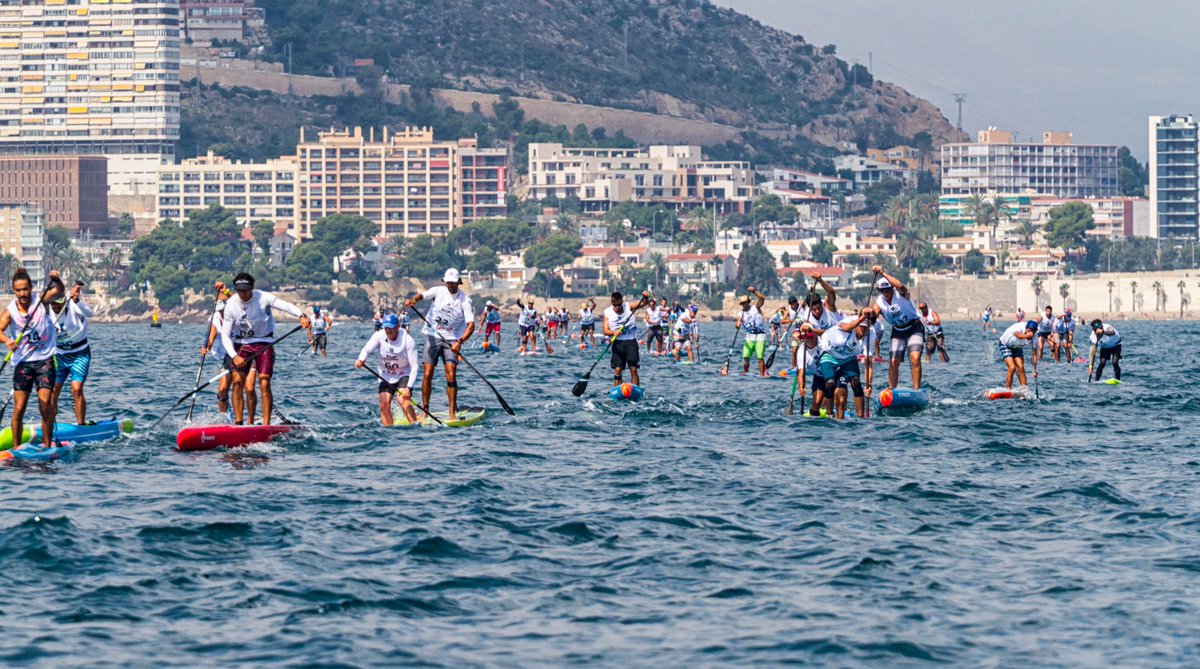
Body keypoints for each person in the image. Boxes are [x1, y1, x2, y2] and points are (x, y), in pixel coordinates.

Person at [217, 272, 310, 426]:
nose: (243, 294)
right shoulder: (231, 305)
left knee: (264, 382)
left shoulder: (263, 297)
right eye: (239, 290)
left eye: (246, 290)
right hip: (242, 344)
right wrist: (234, 356)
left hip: (264, 343)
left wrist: (301, 315)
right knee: (237, 381)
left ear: (252, 288)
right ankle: (239, 423)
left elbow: (285, 305)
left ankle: (266, 425)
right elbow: (225, 336)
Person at [0, 269, 64, 449]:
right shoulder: (10, 311)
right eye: (19, 290)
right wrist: (7, 340)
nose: (23, 293)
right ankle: (16, 448)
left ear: (30, 288)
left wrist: (56, 279)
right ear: (14, 291)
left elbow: (59, 291)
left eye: (25, 289)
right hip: (23, 363)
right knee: (19, 408)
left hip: (44, 361)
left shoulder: (40, 301)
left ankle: (47, 446)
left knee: (44, 407)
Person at [407, 268, 474, 421]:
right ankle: (425, 411)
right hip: (433, 336)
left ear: (459, 282)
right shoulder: (438, 291)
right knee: (427, 373)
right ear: (445, 282)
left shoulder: (465, 301)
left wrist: (460, 342)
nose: (451, 285)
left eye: (453, 283)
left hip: (452, 339)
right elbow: (422, 295)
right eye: (448, 282)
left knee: (450, 372)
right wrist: (413, 300)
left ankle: (452, 413)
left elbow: (471, 326)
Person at [356, 313, 419, 426]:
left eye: (391, 328)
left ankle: (415, 426)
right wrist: (361, 359)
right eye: (386, 327)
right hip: (385, 375)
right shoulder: (378, 336)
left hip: (403, 374)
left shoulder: (408, 341)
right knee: (384, 406)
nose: (388, 331)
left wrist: (408, 389)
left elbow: (415, 367)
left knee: (402, 400)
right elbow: (366, 349)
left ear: (398, 326)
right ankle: (389, 432)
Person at [813, 307, 875, 420]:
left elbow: (869, 361)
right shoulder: (849, 321)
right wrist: (861, 319)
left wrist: (869, 385)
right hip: (829, 354)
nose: (863, 332)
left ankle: (861, 419)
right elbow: (847, 327)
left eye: (866, 329)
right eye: (861, 328)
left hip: (847, 358)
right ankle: (829, 414)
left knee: (856, 383)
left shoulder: (871, 334)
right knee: (830, 384)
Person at [46, 280, 94, 425]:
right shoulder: (46, 312)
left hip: (80, 354)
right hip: (59, 356)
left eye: (58, 303)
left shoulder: (74, 306)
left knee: (76, 388)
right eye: (52, 303)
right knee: (52, 392)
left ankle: (81, 425)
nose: (55, 306)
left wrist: (77, 301)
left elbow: (90, 313)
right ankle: (51, 427)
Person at [872, 266, 923, 390]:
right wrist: (869, 314)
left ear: (892, 289)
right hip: (898, 331)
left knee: (915, 359)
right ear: (880, 291)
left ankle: (916, 390)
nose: (886, 293)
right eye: (883, 291)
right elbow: (874, 313)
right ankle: (892, 391)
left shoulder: (901, 294)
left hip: (914, 327)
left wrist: (882, 272)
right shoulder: (879, 301)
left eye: (888, 290)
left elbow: (900, 285)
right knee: (894, 362)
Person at [603, 290, 652, 388]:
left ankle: (636, 389)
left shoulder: (628, 306)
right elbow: (605, 331)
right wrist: (613, 332)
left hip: (631, 342)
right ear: (612, 303)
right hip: (618, 343)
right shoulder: (607, 312)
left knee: (633, 369)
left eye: (619, 304)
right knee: (618, 369)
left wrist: (646, 297)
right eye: (615, 305)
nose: (617, 307)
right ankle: (617, 389)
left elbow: (643, 303)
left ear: (622, 302)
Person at [200, 283, 235, 415]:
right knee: (222, 389)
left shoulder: (236, 313)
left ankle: (245, 417)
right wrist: (206, 347)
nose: (222, 312)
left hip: (244, 352)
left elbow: (241, 300)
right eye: (220, 310)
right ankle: (225, 417)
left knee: (242, 386)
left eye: (224, 309)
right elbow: (211, 337)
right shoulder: (216, 318)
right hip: (228, 356)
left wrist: (226, 291)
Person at [735, 288, 768, 376]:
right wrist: (738, 324)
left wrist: (754, 291)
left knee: (759, 357)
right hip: (749, 336)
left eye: (744, 303)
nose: (743, 305)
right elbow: (737, 323)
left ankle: (762, 375)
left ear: (748, 302)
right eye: (742, 303)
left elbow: (762, 299)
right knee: (745, 356)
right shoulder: (740, 313)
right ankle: (746, 373)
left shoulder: (755, 307)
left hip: (760, 335)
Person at [998, 320, 1038, 388]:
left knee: (1021, 366)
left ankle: (1024, 389)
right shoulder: (1019, 327)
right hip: (1005, 344)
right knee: (1012, 367)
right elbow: (1017, 334)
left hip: (1017, 346)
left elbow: (1034, 354)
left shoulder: (1035, 336)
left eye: (1033, 333)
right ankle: (1007, 389)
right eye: (1028, 331)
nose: (1030, 335)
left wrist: (1035, 370)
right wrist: (1026, 336)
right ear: (1026, 328)